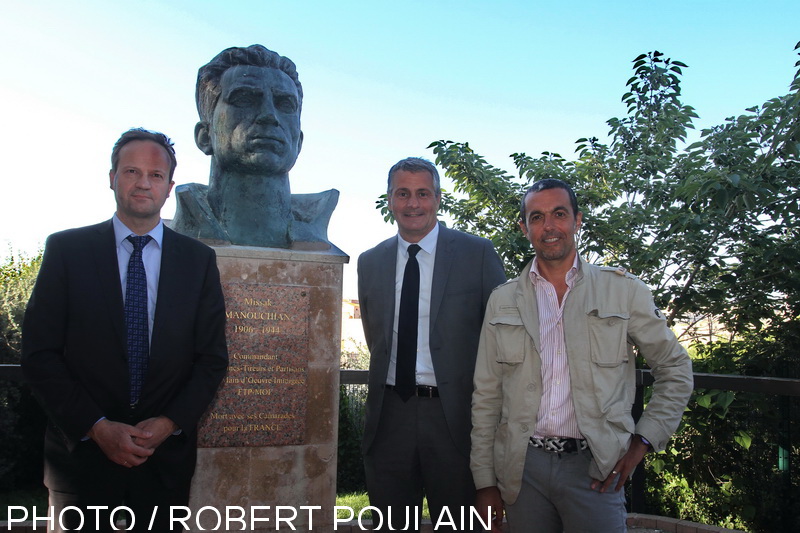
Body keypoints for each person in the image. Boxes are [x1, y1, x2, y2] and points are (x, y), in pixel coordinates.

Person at [22, 128, 229, 532]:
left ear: (169, 187)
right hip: (81, 462)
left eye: (155, 175)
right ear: (112, 177)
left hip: (163, 463)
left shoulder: (198, 261)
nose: (143, 183)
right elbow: (40, 354)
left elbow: (211, 359)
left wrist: (168, 423)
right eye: (132, 170)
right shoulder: (67, 251)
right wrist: (97, 427)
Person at [471, 178, 693, 532]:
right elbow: (486, 396)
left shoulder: (622, 292)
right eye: (537, 217)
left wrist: (643, 440)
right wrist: (485, 482)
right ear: (524, 227)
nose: (549, 227)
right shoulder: (503, 300)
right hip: (521, 469)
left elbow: (675, 368)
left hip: (596, 468)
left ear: (577, 220)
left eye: (559, 214)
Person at [357, 157, 506, 530]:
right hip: (389, 417)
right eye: (402, 194)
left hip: (456, 420)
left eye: (423, 193)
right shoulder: (369, 262)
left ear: (438, 199)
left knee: (460, 524)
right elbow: (375, 336)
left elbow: (504, 338)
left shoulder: (478, 254)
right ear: (389, 199)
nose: (413, 204)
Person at [171, 44, 338, 249]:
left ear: (299, 141)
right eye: (245, 99)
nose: (269, 115)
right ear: (205, 136)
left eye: (285, 104)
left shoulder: (313, 230)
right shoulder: (184, 235)